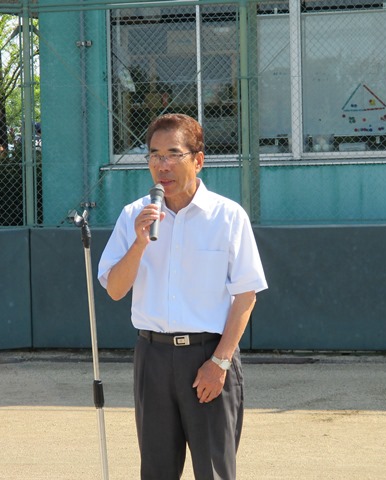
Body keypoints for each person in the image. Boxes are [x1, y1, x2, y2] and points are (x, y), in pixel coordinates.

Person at [97, 113, 268, 480]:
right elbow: (115, 289)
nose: (163, 165)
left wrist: (220, 362)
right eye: (154, 155)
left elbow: (246, 295)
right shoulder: (133, 216)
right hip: (152, 357)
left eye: (173, 154)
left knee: (214, 472)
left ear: (198, 160)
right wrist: (139, 244)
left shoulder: (227, 217)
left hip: (208, 357)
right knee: (156, 471)